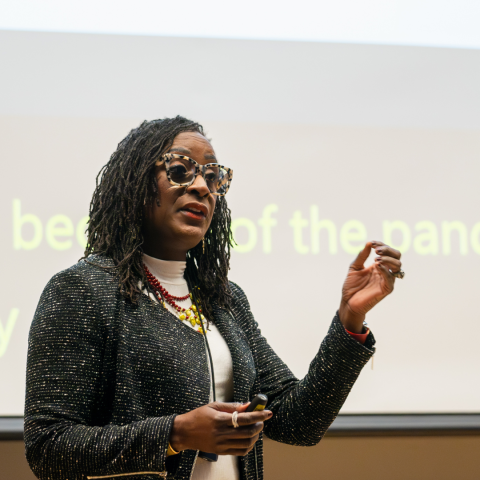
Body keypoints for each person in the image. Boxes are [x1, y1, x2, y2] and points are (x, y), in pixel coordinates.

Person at [24, 117, 403, 480]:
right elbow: (48, 447)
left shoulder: (223, 300)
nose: (202, 187)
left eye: (212, 176)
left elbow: (297, 421)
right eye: (180, 170)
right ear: (137, 183)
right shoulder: (84, 291)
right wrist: (175, 434)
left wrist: (349, 319)